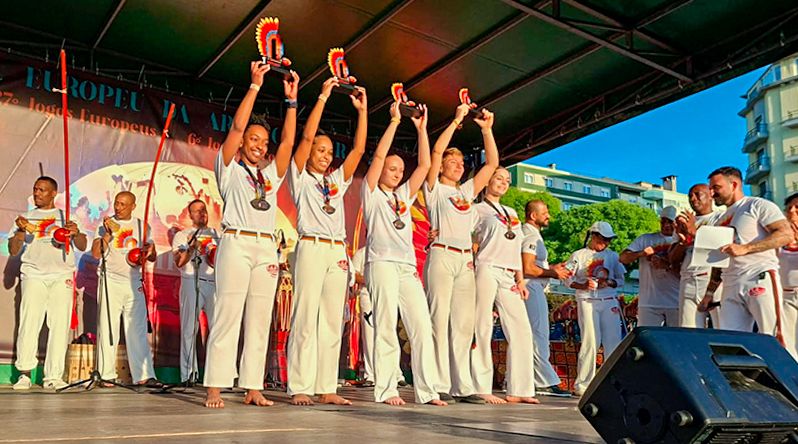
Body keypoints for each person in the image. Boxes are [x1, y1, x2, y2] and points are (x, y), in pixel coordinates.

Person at [203, 62, 298, 408]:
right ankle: (215, 386)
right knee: (228, 312)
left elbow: (288, 141)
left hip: (265, 248)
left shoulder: (270, 175)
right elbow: (237, 126)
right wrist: (256, 85)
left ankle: (253, 386)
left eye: (263, 141)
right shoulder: (229, 168)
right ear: (243, 142)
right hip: (236, 242)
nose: (259, 145)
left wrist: (292, 102)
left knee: (259, 319)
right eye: (253, 139)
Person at [287, 78, 367, 406]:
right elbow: (306, 136)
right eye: (320, 150)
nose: (325, 155)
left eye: (330, 152)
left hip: (336, 249)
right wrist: (322, 97)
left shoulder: (335, 180)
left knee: (332, 319)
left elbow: (358, 151)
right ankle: (300, 385)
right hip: (310, 246)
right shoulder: (298, 175)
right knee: (305, 316)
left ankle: (327, 387)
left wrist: (362, 112)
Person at [361, 102, 445, 406]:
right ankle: (386, 389)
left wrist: (422, 129)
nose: (397, 173)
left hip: (406, 266)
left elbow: (423, 166)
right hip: (381, 263)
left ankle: (428, 390)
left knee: (422, 326)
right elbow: (378, 156)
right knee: (385, 325)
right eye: (391, 169)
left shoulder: (404, 197)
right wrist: (395, 122)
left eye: (399, 170)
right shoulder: (371, 193)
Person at [423, 103, 499, 404]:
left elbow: (491, 165)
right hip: (441, 254)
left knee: (464, 323)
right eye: (452, 162)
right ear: (442, 167)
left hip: (465, 258)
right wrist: (456, 120)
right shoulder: (434, 189)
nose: (457, 166)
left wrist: (486, 130)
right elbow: (435, 152)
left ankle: (462, 385)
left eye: (460, 162)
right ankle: (438, 383)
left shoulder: (465, 191)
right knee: (439, 319)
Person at [9, 176, 87, 390]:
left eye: (42, 190)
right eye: (35, 189)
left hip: (62, 276)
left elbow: (82, 245)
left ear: (54, 193)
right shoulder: (26, 217)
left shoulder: (66, 217)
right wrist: (21, 231)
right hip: (34, 275)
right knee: (29, 323)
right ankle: (24, 374)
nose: (37, 193)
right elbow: (13, 250)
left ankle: (53, 376)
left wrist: (76, 233)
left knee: (60, 326)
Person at [699, 167, 791, 340]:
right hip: (730, 284)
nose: (711, 193)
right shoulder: (718, 220)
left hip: (757, 276)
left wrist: (746, 248)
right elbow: (717, 261)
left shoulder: (757, 205)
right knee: (732, 342)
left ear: (734, 184)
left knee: (773, 337)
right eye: (710, 189)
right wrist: (709, 293)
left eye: (716, 187)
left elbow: (786, 234)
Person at [472, 167, 538, 404]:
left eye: (507, 180)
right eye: (498, 178)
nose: (503, 183)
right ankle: (480, 386)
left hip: (510, 274)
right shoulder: (477, 209)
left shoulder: (512, 212)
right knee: (482, 326)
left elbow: (516, 247)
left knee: (522, 329)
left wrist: (520, 279)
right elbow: (468, 240)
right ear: (487, 180)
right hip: (486, 268)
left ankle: (520, 389)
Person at [91, 191, 159, 387]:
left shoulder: (142, 226)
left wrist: (150, 251)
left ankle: (144, 375)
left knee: (137, 329)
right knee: (108, 328)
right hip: (110, 280)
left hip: (133, 281)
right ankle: (106, 374)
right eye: (117, 203)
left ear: (132, 206)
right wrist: (108, 234)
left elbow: (152, 256)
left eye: (123, 204)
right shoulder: (105, 224)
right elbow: (96, 254)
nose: (118, 207)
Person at [566, 222, 626, 396]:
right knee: (590, 341)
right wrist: (583, 285)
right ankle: (583, 384)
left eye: (608, 240)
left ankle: (613, 382)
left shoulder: (613, 256)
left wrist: (609, 282)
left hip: (609, 300)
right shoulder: (578, 255)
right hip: (587, 300)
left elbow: (621, 280)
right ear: (593, 236)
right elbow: (567, 278)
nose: (605, 243)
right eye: (603, 239)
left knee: (613, 342)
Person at [521, 200, 572, 397]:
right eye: (545, 212)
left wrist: (552, 269)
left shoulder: (531, 234)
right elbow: (527, 267)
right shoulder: (530, 236)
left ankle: (527, 378)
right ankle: (543, 381)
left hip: (533, 286)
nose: (548, 216)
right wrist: (553, 273)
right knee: (539, 334)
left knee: (532, 334)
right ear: (533, 215)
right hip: (531, 286)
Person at [171, 199, 219, 383]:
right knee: (189, 328)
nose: (201, 213)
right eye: (197, 211)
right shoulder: (182, 235)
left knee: (218, 329)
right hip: (191, 281)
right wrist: (192, 247)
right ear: (190, 215)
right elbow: (179, 262)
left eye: (203, 210)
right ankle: (189, 374)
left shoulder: (217, 234)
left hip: (213, 283)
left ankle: (217, 375)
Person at [350, 247, 405, 388]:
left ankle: (396, 374)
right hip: (367, 295)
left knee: (389, 332)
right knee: (369, 335)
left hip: (387, 295)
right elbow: (354, 275)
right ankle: (371, 375)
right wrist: (372, 279)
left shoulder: (389, 250)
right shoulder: (361, 253)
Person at [668, 185, 721, 328]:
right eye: (690, 196)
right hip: (688, 279)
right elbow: (672, 259)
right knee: (688, 331)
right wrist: (684, 242)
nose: (693, 199)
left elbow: (721, 249)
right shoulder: (683, 222)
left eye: (698, 194)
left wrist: (693, 232)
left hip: (712, 280)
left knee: (723, 328)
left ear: (710, 195)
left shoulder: (720, 218)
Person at [620, 206, 680, 327]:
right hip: (649, 303)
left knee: (676, 337)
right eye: (663, 221)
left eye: (670, 222)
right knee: (648, 336)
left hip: (676, 301)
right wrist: (641, 253)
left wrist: (667, 265)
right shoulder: (645, 239)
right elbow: (623, 258)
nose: (666, 225)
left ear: (677, 223)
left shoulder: (682, 242)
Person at [779, 193, 798, 361]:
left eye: (797, 208)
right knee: (788, 342)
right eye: (788, 208)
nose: (791, 212)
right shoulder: (777, 242)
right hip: (786, 296)